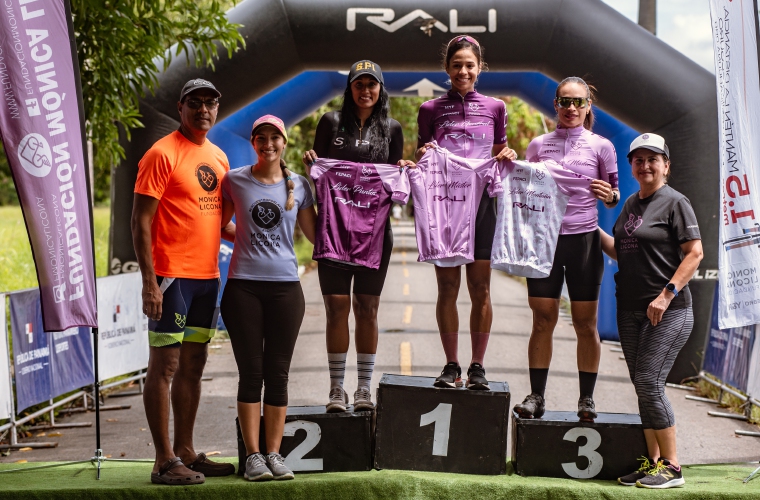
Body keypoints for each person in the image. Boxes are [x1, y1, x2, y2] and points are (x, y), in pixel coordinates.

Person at [132, 79, 234, 485]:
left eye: (211, 103)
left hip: (207, 278)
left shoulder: (219, 156)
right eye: (196, 103)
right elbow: (140, 221)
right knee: (166, 365)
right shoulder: (161, 153)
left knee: (194, 365)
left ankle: (187, 451)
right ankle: (163, 460)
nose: (204, 110)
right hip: (170, 276)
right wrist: (148, 282)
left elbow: (219, 220)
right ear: (181, 107)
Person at [302, 60, 412, 412]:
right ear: (349, 88)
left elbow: (393, 183)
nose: (365, 91)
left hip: (375, 234)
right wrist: (313, 166)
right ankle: (337, 388)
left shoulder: (392, 129)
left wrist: (405, 172)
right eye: (358, 84)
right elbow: (319, 178)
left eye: (372, 84)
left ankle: (363, 388)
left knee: (367, 309)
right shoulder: (330, 122)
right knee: (336, 309)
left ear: (381, 89)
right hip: (334, 232)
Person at [513, 76, 620, 420]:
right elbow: (525, 194)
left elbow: (614, 192)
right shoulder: (538, 145)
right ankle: (536, 397)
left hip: (584, 241)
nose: (571, 108)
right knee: (542, 320)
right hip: (545, 242)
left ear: (588, 105)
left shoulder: (602, 146)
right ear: (555, 105)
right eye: (564, 101)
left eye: (578, 102)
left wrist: (612, 196)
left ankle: (586, 399)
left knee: (584, 323)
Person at [600, 134, 702, 489]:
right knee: (642, 386)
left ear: (666, 165)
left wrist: (666, 294)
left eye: (652, 159)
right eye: (638, 160)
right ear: (632, 165)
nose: (645, 165)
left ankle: (673, 468)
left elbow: (695, 253)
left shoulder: (675, 202)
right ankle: (652, 462)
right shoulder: (629, 204)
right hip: (630, 310)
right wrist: (588, 228)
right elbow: (621, 250)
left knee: (648, 382)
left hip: (667, 311)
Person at [415, 35, 516, 391]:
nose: (463, 70)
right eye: (456, 64)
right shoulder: (429, 110)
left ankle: (477, 366)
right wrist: (424, 152)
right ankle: (450, 364)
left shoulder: (496, 107)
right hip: (446, 204)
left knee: (481, 288)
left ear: (479, 68)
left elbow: (501, 152)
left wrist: (507, 155)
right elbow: (423, 158)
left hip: (483, 203)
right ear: (447, 68)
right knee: (447, 287)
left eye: (469, 65)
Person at [220, 115, 317, 481]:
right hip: (243, 288)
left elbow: (315, 236)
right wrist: (242, 238)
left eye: (275, 138)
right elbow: (220, 223)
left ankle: (275, 454)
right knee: (251, 373)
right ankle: (252, 457)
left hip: (286, 290)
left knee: (278, 375)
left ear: (284, 143)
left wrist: (327, 189)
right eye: (261, 138)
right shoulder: (236, 180)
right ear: (253, 142)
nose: (268, 144)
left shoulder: (300, 185)